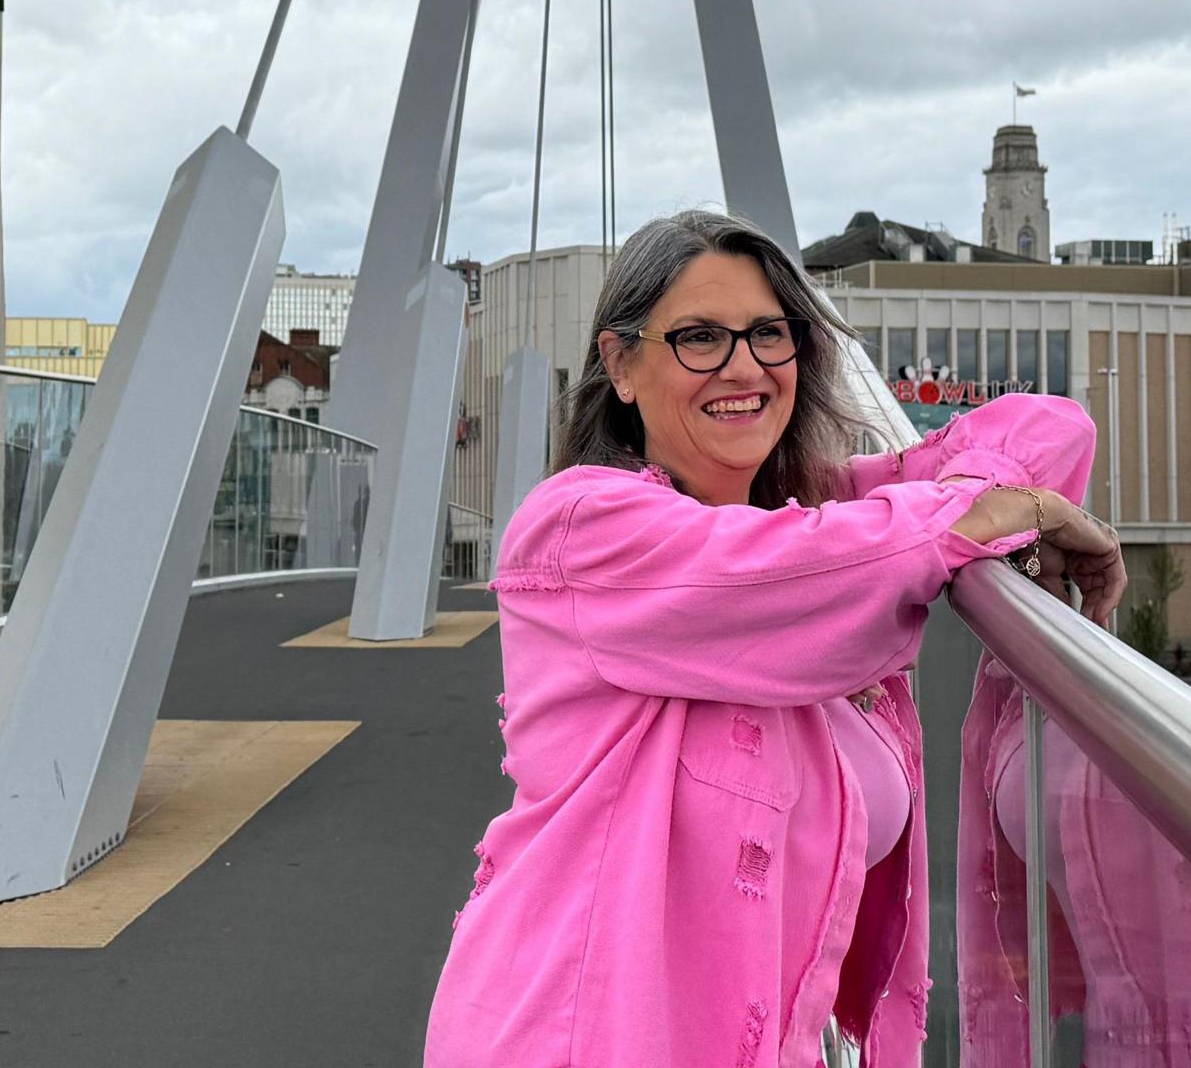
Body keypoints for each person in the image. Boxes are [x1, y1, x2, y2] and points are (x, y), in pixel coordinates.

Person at [424, 210, 1121, 1068]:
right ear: (621, 364)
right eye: (699, 339)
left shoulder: (813, 520)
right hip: (574, 1032)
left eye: (768, 334)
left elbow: (1052, 428)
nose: (743, 366)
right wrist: (989, 513)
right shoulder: (581, 531)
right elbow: (848, 565)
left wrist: (989, 501)